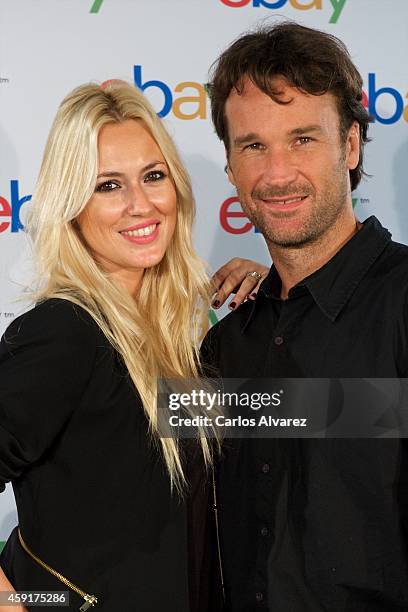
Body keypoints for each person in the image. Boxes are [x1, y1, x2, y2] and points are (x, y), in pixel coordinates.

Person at [0, 80, 266, 612]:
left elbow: (323, 414)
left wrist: (285, 297)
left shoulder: (175, 338)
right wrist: (21, 603)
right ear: (71, 203)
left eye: (153, 176)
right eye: (107, 186)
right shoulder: (63, 333)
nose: (140, 205)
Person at [202, 22, 408, 611]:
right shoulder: (227, 342)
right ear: (230, 167)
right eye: (253, 145)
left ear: (350, 145)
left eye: (302, 139)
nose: (277, 173)